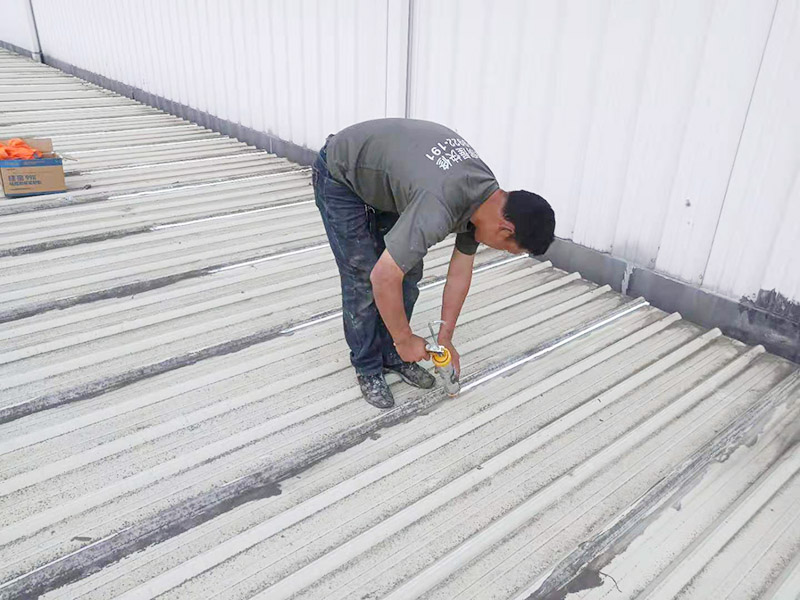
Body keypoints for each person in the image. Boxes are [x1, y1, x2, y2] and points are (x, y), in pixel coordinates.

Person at [312, 118, 555, 408]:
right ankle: (368, 366)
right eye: (506, 248)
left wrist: (446, 338)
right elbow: (383, 277)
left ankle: (392, 355)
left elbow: (460, 273)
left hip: (392, 176)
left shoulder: (487, 200)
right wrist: (405, 338)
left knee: (408, 269)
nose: (497, 248)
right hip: (342, 171)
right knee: (363, 275)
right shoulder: (439, 205)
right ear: (505, 229)